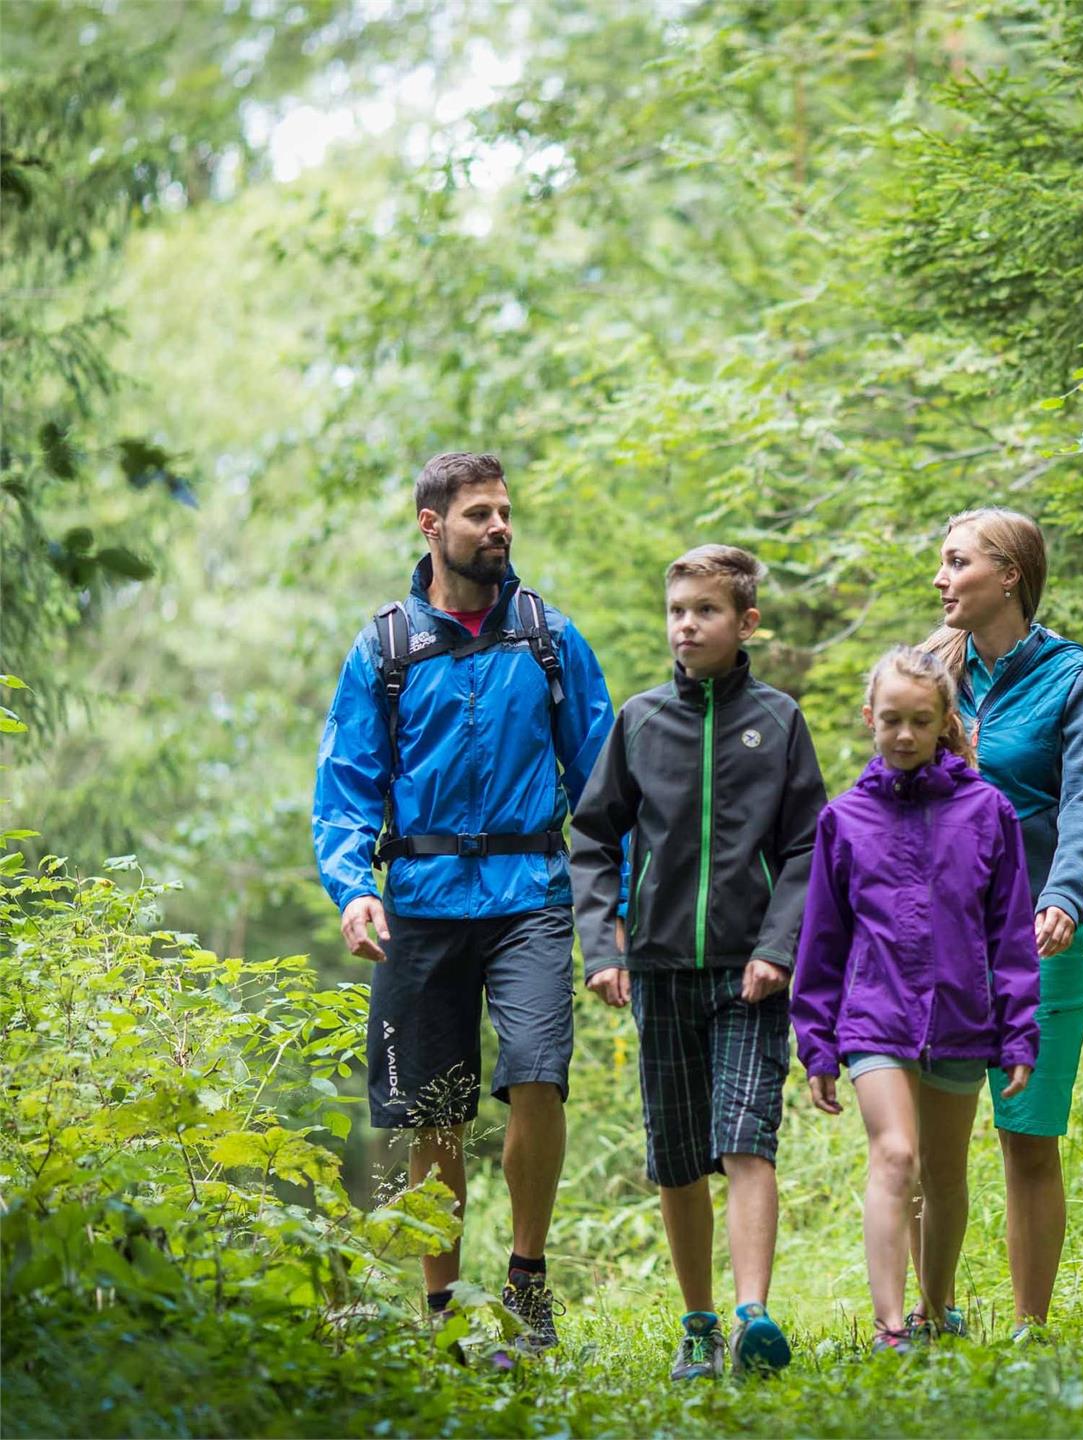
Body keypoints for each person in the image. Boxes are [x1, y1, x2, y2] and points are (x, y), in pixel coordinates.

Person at [312, 451, 614, 1352]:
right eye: (478, 513)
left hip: (531, 894)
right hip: (422, 903)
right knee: (432, 1109)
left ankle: (526, 1282)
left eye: (505, 511)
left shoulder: (549, 638)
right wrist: (353, 889)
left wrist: (613, 904)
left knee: (536, 1074)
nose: (498, 527)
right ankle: (440, 1308)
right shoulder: (386, 650)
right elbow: (345, 787)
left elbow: (600, 786)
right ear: (431, 524)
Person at [570, 544, 827, 1382]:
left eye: (706, 611)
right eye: (678, 611)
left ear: (745, 621)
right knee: (679, 1154)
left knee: (748, 1138)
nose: (688, 624)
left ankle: (754, 1314)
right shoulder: (640, 720)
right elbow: (593, 838)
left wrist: (779, 947)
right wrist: (605, 944)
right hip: (659, 966)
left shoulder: (780, 720)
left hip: (751, 971)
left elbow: (804, 850)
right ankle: (699, 1324)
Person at [790, 646, 1040, 1355]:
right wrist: (818, 1043)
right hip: (875, 1019)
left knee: (945, 1174)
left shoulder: (988, 813)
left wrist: (1019, 1033)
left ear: (943, 724)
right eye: (891, 720)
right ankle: (890, 1327)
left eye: (919, 721)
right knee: (895, 1156)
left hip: (961, 1019)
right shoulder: (845, 820)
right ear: (870, 719)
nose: (903, 735)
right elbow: (822, 941)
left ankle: (935, 1311)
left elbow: (1011, 933)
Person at [925, 507, 1083, 1340]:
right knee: (933, 1154)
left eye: (957, 562)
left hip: (1039, 940)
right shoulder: (929, 676)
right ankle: (932, 1317)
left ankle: (1030, 1331)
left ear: (1010, 576)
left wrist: (1064, 893)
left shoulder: (1075, 679)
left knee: (1028, 1140)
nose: (940, 578)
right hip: (937, 946)